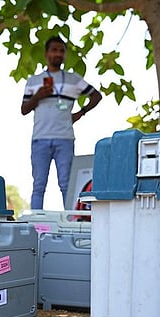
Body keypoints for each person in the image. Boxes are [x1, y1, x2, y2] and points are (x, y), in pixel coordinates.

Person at [21, 36, 102, 210]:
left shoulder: (74, 79)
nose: (58, 53)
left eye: (61, 51)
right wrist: (38, 96)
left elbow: (96, 96)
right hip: (40, 138)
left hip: (64, 137)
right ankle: (36, 224)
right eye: (54, 50)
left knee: (66, 184)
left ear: (65, 55)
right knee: (38, 185)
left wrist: (81, 112)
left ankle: (70, 222)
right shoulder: (34, 81)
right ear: (46, 54)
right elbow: (24, 109)